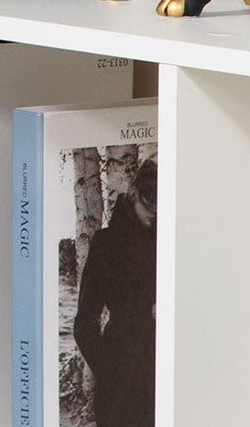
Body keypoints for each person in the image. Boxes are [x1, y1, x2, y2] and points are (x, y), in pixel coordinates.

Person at [73, 156, 157, 427]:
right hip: (120, 388)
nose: (155, 212)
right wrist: (110, 374)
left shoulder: (169, 241)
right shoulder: (106, 243)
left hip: (163, 377)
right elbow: (84, 324)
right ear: (133, 194)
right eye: (149, 203)